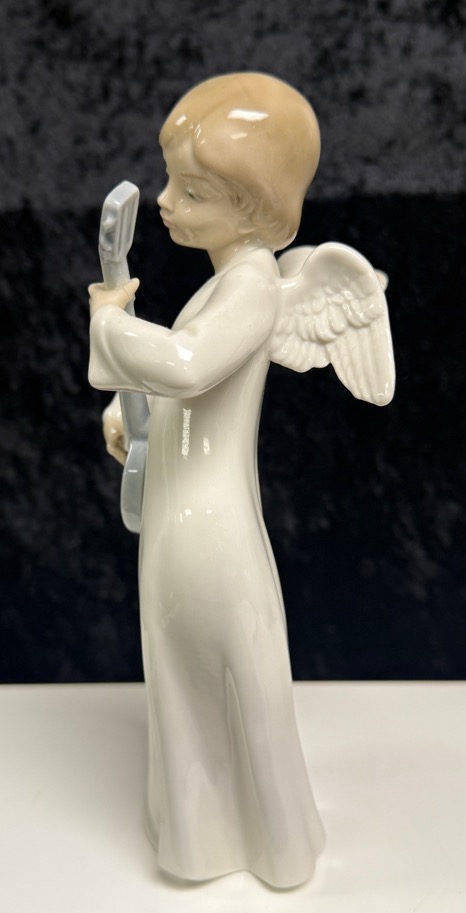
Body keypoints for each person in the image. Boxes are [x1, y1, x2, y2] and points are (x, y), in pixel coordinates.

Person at [89, 72, 391, 888]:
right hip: (181, 514)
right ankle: (206, 834)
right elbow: (190, 394)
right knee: (187, 675)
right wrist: (132, 418)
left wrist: (110, 325)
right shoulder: (226, 282)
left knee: (232, 673)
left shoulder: (255, 287)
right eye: (170, 182)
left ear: (255, 210)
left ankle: (265, 839)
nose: (164, 202)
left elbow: (190, 365)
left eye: (191, 192)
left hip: (209, 528)